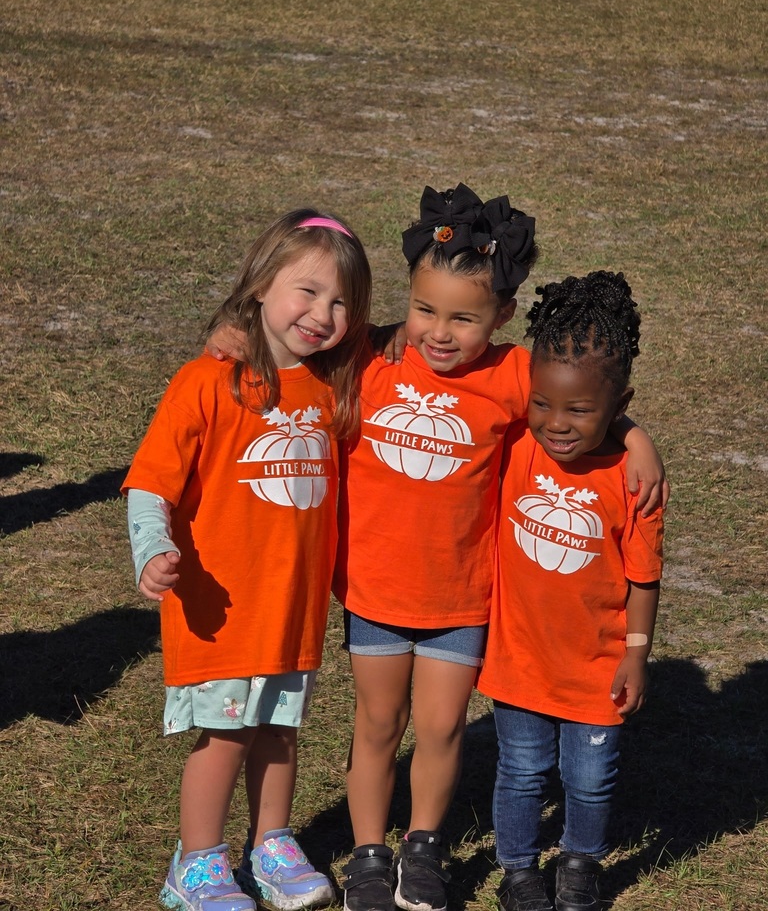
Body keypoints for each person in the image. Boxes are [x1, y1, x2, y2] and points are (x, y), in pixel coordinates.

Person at [208, 187, 667, 911]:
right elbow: (286, 344)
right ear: (406, 301)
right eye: (425, 310)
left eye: (464, 317)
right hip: (374, 593)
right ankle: (368, 853)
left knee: (443, 726)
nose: (440, 332)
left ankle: (422, 849)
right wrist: (234, 337)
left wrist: (636, 438)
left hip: (461, 598)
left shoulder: (513, 375)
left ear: (503, 318)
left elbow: (579, 397)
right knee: (378, 724)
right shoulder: (368, 356)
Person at [123, 210, 372, 911]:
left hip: (293, 611)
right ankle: (196, 864)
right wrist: (154, 549)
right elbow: (150, 483)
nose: (324, 314)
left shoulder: (333, 387)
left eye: (342, 301)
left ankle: (272, 843)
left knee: (281, 730)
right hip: (220, 608)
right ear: (261, 283)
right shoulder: (206, 382)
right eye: (308, 291)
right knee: (226, 734)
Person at [477, 271, 663, 911]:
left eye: (581, 410)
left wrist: (635, 653)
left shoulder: (634, 483)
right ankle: (519, 871)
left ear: (618, 402)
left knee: (590, 780)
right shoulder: (514, 446)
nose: (557, 424)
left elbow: (643, 577)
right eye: (543, 404)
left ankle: (580, 863)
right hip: (519, 658)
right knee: (522, 773)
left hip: (597, 667)